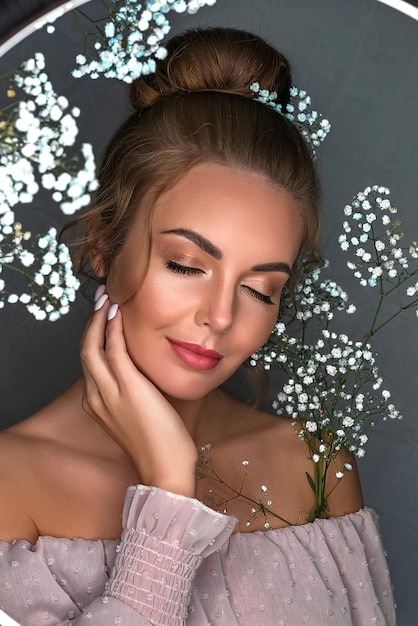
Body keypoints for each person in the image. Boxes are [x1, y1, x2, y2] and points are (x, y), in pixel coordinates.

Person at [0, 27, 396, 626]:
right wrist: (167, 490)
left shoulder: (314, 464)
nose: (221, 315)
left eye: (261, 289)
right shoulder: (10, 484)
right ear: (105, 247)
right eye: (186, 264)